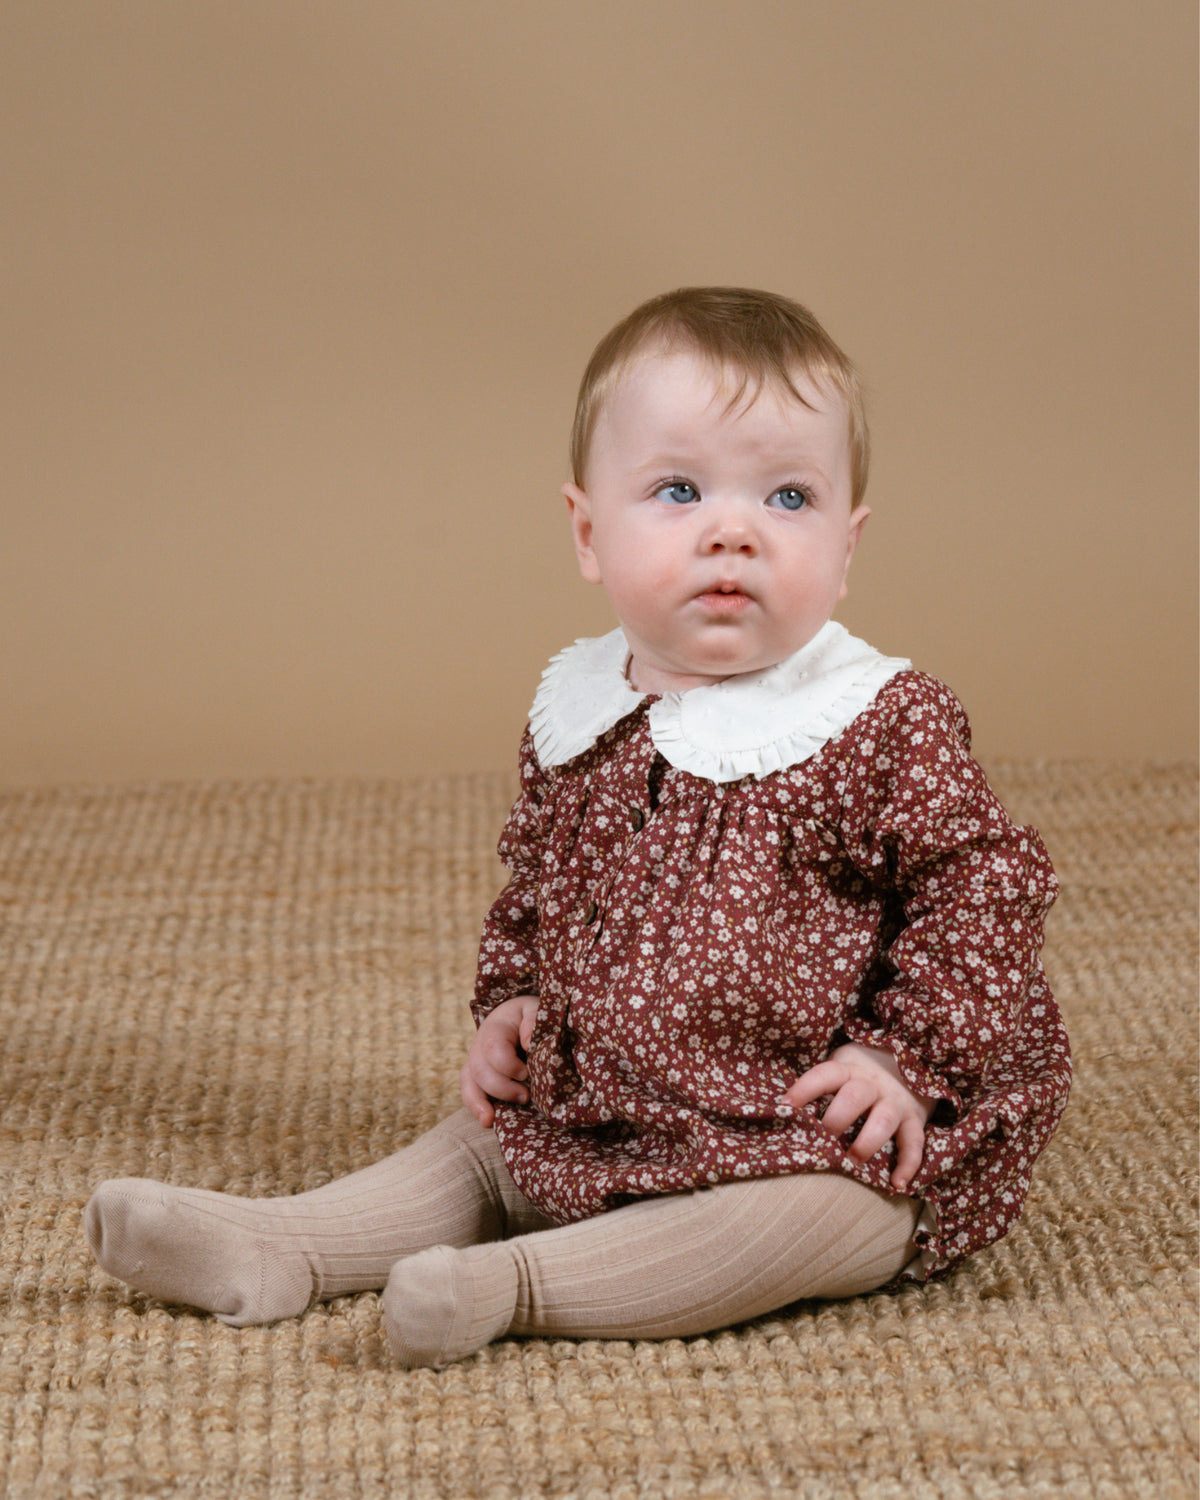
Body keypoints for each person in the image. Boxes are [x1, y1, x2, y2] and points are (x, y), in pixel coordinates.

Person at [84, 287, 1071, 1368]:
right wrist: (510, 994)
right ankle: (291, 1246)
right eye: (679, 490)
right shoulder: (584, 707)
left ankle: (512, 1287)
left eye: (789, 497)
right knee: (485, 1150)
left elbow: (983, 887)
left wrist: (901, 1061)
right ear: (589, 532)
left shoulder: (877, 719)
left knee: (825, 1217)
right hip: (609, 1092)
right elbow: (538, 878)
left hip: (810, 1118)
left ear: (847, 545)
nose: (732, 529)